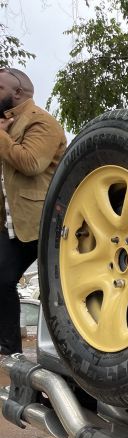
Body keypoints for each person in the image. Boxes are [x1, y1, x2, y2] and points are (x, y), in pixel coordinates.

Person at [0, 67, 66, 355]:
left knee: (56, 290)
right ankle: (9, 348)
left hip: (45, 221)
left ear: (17, 93)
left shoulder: (43, 123)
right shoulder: (5, 127)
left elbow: (31, 163)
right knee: (1, 279)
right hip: (13, 224)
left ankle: (62, 353)